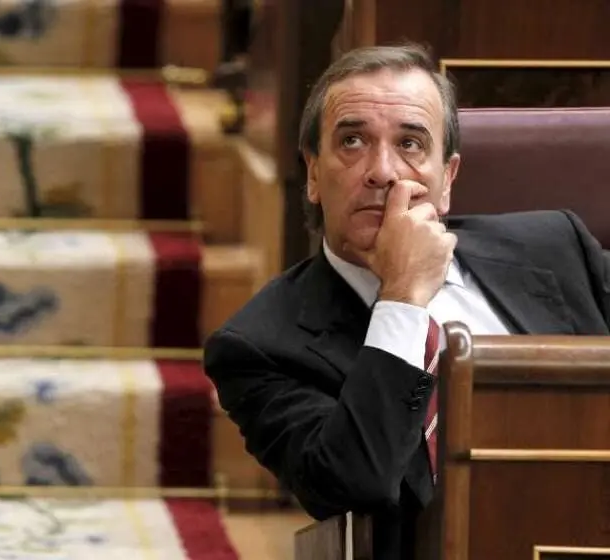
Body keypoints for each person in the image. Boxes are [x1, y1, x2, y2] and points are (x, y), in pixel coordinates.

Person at [203, 44, 610, 559]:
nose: (383, 171)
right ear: (312, 174)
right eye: (352, 141)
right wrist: (403, 297)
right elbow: (355, 484)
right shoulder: (259, 346)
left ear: (448, 179)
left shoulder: (558, 248)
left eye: (411, 144)